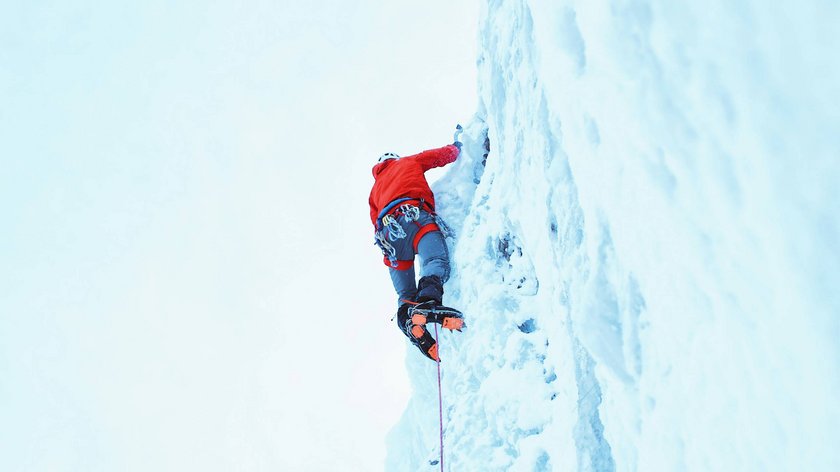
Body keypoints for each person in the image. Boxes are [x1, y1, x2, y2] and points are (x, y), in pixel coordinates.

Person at [369, 132, 465, 361]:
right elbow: (437, 157)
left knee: (405, 293)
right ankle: (428, 303)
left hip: (389, 237)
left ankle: (408, 320)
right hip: (413, 217)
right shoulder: (407, 162)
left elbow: (374, 219)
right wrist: (458, 147)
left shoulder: (374, 191)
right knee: (435, 261)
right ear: (394, 159)